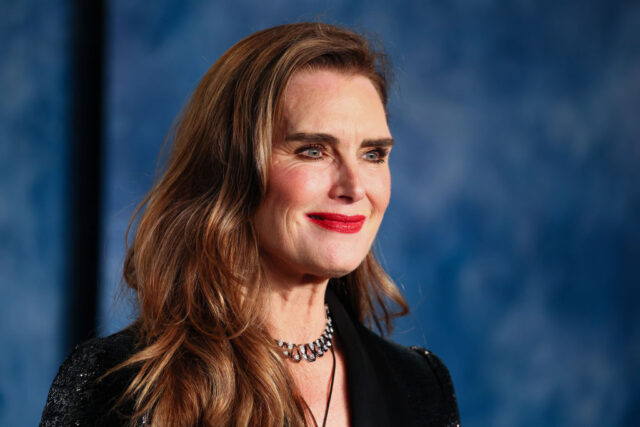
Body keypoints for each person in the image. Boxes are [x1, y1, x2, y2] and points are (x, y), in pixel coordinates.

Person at [40, 22, 460, 426]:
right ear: (232, 170)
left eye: (373, 154)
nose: (354, 187)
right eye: (313, 150)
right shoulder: (116, 386)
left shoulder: (420, 386)